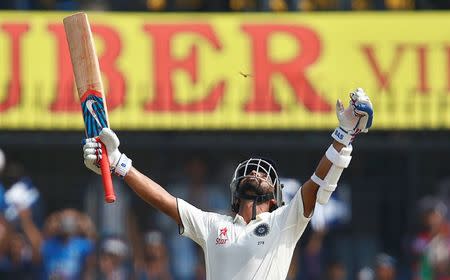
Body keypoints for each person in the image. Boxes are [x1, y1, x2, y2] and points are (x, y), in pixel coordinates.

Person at [82, 88, 373, 279]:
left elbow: (318, 182)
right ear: (235, 190)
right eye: (250, 173)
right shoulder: (213, 225)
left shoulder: (286, 221)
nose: (255, 174)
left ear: (274, 197)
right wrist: (119, 162)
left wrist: (344, 134)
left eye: (263, 176)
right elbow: (164, 200)